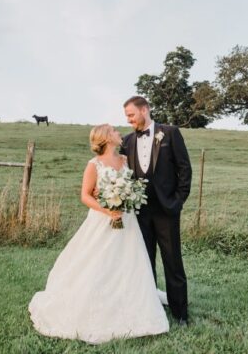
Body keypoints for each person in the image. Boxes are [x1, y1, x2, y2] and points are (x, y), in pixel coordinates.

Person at [28, 124, 169, 344]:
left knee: (129, 262)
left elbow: (132, 185)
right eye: (113, 131)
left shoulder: (125, 160)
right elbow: (85, 195)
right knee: (97, 261)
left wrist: (128, 199)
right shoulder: (94, 165)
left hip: (127, 220)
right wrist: (107, 210)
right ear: (105, 138)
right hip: (103, 220)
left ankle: (131, 303)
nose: (118, 133)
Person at [120, 96, 192, 326]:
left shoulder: (170, 133)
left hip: (166, 211)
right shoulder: (127, 141)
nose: (129, 120)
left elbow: (184, 169)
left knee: (173, 262)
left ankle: (180, 313)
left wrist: (178, 201)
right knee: (144, 261)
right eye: (127, 117)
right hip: (139, 213)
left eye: (131, 115)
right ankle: (148, 308)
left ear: (144, 110)